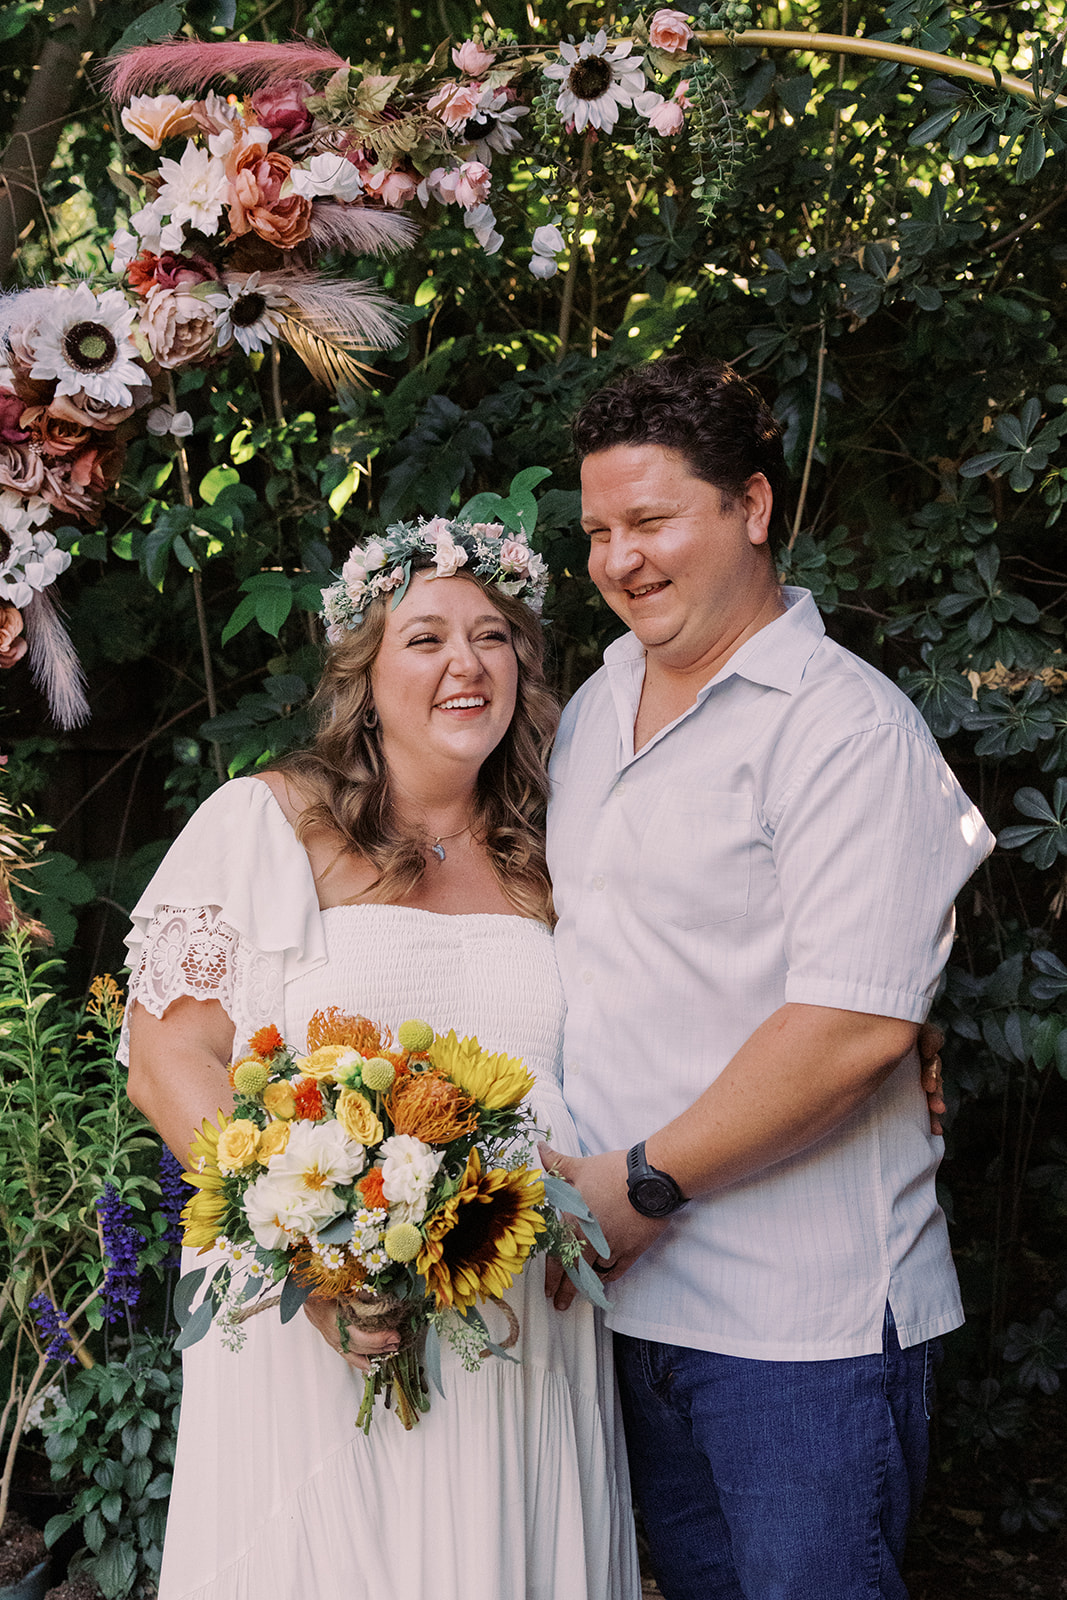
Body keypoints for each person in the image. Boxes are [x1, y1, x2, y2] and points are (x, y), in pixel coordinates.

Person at [541, 354, 995, 1600]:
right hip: (630, 1310)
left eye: (648, 521)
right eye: (595, 531)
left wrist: (639, 1182)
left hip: (800, 1328)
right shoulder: (595, 703)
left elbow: (851, 1028)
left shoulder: (841, 728)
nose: (618, 559)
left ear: (750, 506)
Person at [122, 521, 640, 1600]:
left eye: (492, 636)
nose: (466, 663)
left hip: (518, 1316)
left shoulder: (561, 850)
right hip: (318, 1311)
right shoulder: (265, 824)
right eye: (426, 638)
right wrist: (311, 1259)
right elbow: (169, 1053)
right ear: (362, 672)